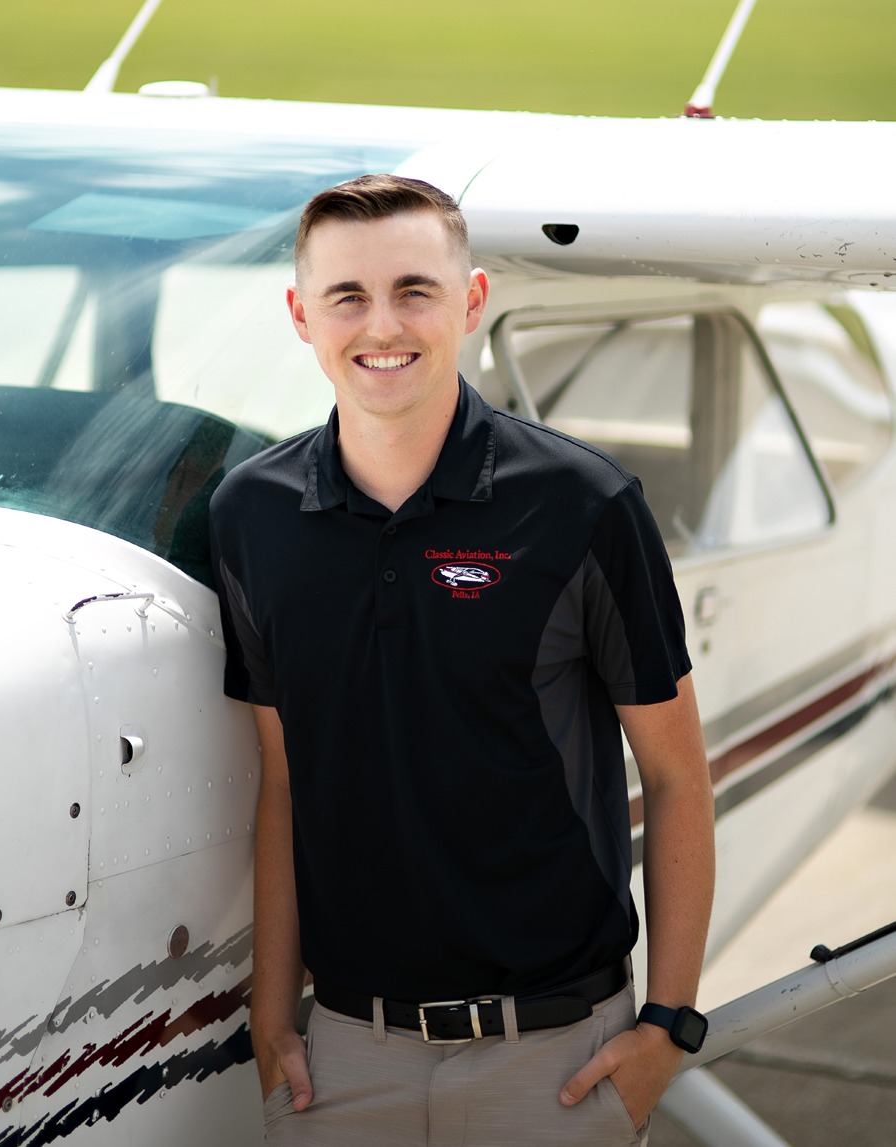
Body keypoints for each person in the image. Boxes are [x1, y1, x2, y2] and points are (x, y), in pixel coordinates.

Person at [209, 174, 715, 1146]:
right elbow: (283, 779)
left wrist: (668, 1023)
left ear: (472, 299)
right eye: (347, 296)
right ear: (300, 315)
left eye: (415, 290)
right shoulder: (249, 516)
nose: (381, 325)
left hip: (556, 1060)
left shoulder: (586, 505)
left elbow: (676, 774)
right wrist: (273, 1020)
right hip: (343, 1062)